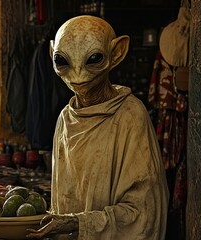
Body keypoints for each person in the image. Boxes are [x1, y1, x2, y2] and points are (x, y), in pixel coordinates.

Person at [26, 16, 169, 239]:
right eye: (63, 61)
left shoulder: (130, 115)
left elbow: (144, 212)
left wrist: (79, 224)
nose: (78, 76)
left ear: (117, 53)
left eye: (93, 59)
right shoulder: (65, 118)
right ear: (52, 54)